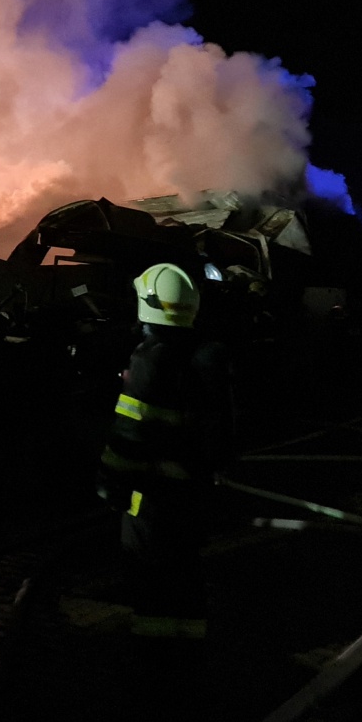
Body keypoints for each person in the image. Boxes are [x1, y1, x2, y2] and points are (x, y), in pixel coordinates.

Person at [96, 263, 233, 642]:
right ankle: (188, 643)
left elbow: (128, 435)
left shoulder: (150, 360)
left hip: (151, 498)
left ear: (149, 304)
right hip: (193, 495)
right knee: (186, 571)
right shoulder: (208, 356)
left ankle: (153, 653)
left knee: (149, 575)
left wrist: (110, 484)